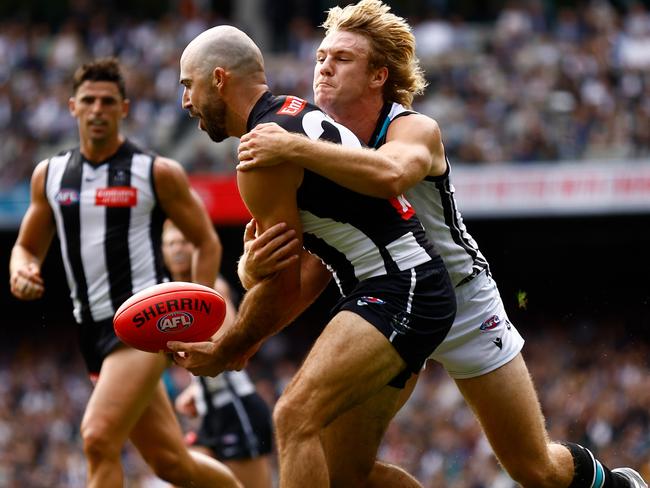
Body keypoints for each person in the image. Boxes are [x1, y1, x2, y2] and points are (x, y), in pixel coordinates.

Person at [234, 1, 648, 488]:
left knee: (534, 469)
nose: (324, 65)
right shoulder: (320, 139)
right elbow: (321, 262)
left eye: (342, 58)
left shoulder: (412, 128)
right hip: (390, 301)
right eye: (321, 56)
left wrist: (294, 148)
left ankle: (616, 486)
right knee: (347, 472)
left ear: (378, 76)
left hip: (465, 303)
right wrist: (251, 268)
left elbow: (390, 175)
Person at [167, 25, 457, 488]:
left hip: (398, 288)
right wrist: (248, 291)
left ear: (219, 79)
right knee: (348, 474)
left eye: (188, 85)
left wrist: (229, 347)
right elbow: (312, 268)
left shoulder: (262, 152)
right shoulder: (294, 111)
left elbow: (282, 286)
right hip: (410, 286)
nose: (185, 101)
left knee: (293, 416)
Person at [8, 57, 241, 488]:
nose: (98, 109)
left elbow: (207, 241)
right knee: (172, 464)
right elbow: (25, 247)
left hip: (142, 325)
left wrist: (195, 315)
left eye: (108, 101)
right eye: (89, 101)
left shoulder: (156, 172)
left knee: (97, 437)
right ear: (73, 107)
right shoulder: (51, 174)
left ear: (125, 108)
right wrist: (21, 271)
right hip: (89, 331)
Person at [161, 220, 274, 488]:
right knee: (181, 475)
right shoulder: (171, 294)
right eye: (170, 244)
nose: (177, 249)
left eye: (183, 242)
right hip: (209, 415)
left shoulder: (214, 289)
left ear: (196, 248)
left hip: (236, 409)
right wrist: (195, 391)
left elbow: (229, 353)